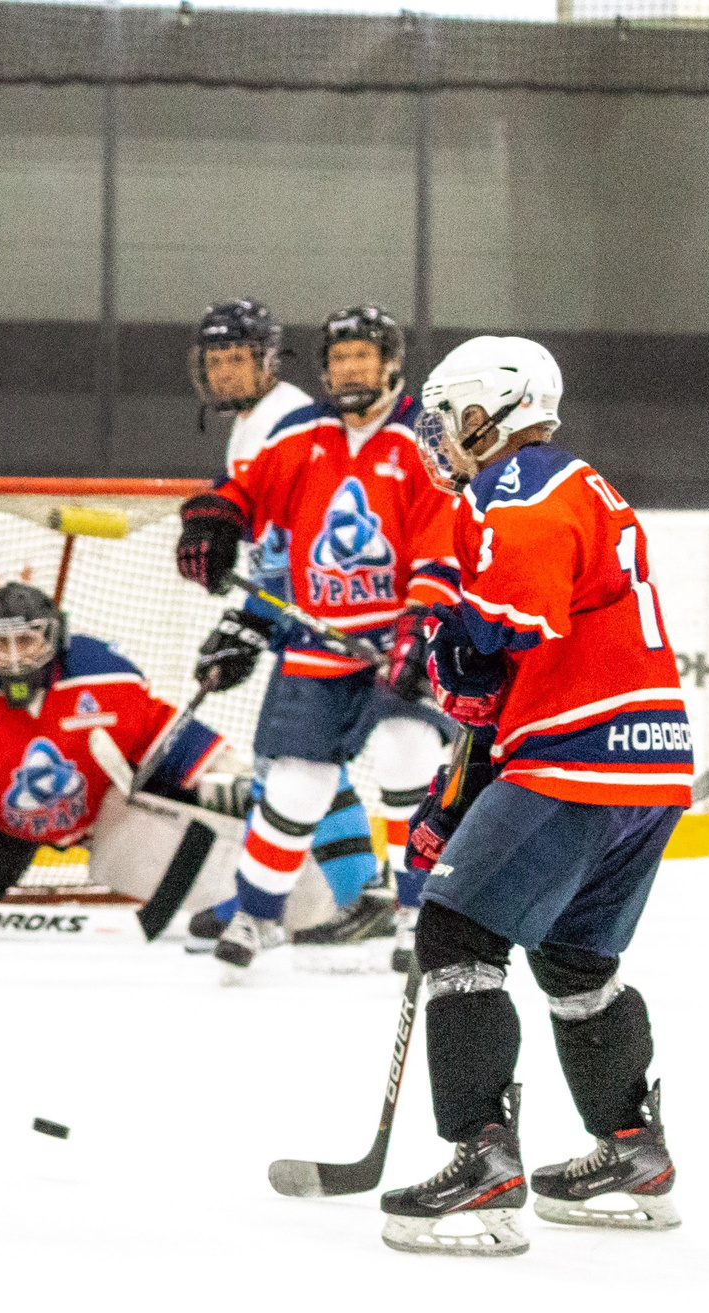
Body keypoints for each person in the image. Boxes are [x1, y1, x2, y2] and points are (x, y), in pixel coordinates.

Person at [377, 336, 689, 1256]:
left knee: (456, 934)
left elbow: (510, 624)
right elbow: (516, 677)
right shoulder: (582, 484)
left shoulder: (525, 486)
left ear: (490, 411)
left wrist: (461, 639)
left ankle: (482, 1162)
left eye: (447, 417)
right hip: (645, 760)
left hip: (575, 756)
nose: (439, 436)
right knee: (576, 962)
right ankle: (634, 1152)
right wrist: (461, 788)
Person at [175, 304, 458, 980]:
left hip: (401, 637)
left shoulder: (426, 436)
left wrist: (421, 626)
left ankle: (417, 912)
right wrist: (213, 521)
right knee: (298, 781)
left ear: (391, 363)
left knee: (405, 751)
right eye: (339, 359)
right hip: (319, 639)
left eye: (363, 357)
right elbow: (245, 493)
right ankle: (257, 913)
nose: (349, 370)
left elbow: (441, 542)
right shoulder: (306, 433)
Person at [0, 582, 242, 929]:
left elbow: (160, 734)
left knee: (193, 878)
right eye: (0, 643)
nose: (13, 657)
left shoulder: (102, 672)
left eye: (26, 641)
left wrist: (226, 773)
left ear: (55, 636)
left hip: (104, 818)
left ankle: (245, 899)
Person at [190, 297, 311, 479]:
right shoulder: (253, 415)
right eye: (214, 361)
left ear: (268, 361)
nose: (224, 374)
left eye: (236, 359)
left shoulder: (289, 419)